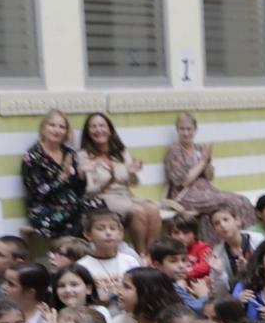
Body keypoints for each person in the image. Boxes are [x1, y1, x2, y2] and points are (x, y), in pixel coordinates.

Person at [80, 112, 163, 257]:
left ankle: (153, 254)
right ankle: (141, 254)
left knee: (153, 208)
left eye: (102, 126)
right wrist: (111, 179)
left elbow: (133, 183)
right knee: (138, 211)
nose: (98, 130)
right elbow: (89, 191)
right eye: (93, 127)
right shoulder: (83, 155)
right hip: (102, 198)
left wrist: (132, 172)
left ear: (110, 130)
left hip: (126, 195)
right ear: (88, 132)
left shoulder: (121, 152)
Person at [163, 112, 254, 226]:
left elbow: (209, 176)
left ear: (195, 130)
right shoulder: (174, 150)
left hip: (207, 191)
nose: (186, 133)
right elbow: (184, 181)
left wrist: (207, 160)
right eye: (182, 129)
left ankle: (245, 236)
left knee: (242, 200)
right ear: (177, 130)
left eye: (189, 129)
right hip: (186, 195)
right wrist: (203, 160)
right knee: (230, 202)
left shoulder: (199, 148)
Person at [22, 108, 100, 239]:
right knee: (75, 215)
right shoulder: (33, 156)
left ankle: (96, 251)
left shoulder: (69, 153)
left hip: (72, 205)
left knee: (99, 207)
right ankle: (69, 252)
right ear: (43, 128)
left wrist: (81, 175)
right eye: (52, 125)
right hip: (46, 211)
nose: (57, 130)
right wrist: (61, 179)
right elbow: (37, 193)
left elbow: (78, 191)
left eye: (61, 127)